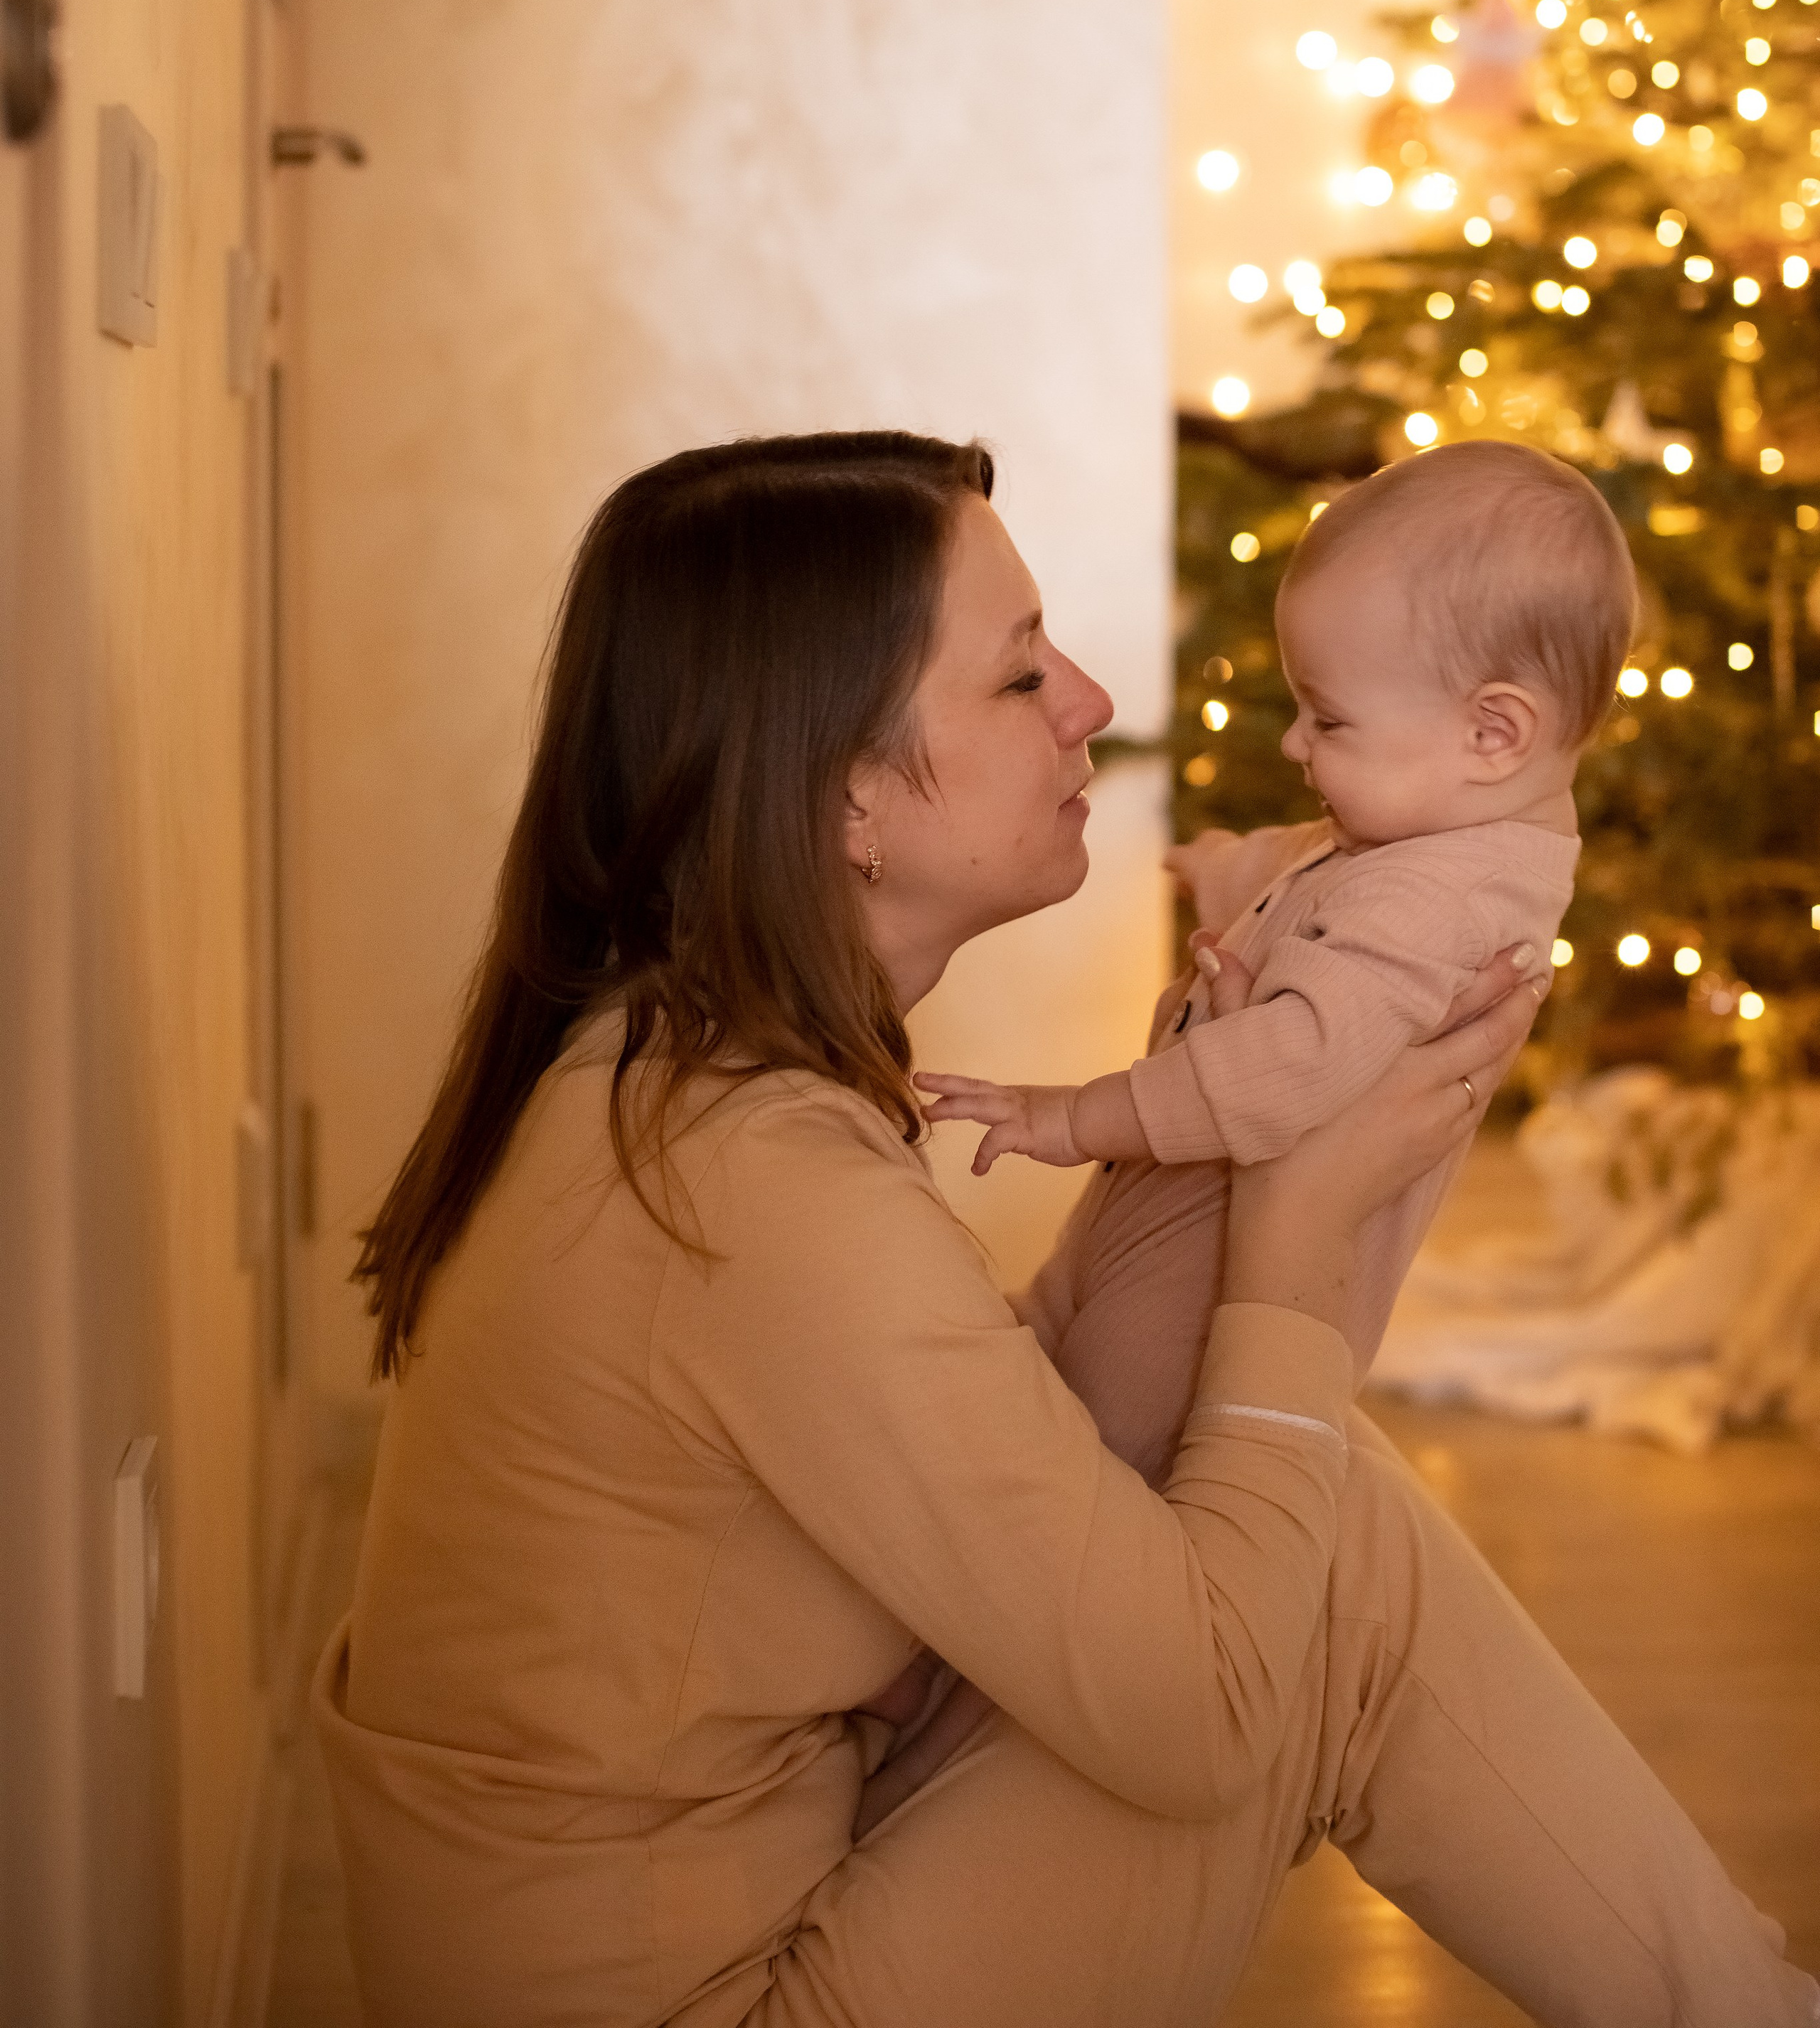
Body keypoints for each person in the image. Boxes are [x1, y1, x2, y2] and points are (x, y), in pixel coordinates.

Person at [314, 431, 1816, 2028]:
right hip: (704, 2002)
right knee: (1313, 1581)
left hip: (726, 1901)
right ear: (847, 795)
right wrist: (1294, 1227)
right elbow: (1202, 1716)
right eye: (1021, 676)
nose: (1093, 700)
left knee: (1300, 1528)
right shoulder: (753, 1188)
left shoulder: (684, 1079)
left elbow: (987, 1465)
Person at [915, 442, 1632, 1373]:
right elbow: (1308, 876)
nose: (1296, 743)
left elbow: (1283, 1065)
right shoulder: (1421, 841)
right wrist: (1217, 867)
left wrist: (1074, 1118)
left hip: (1197, 1327)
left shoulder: (1443, 909)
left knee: (1088, 1470)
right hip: (1143, 1244)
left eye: (1327, 720)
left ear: (1493, 734)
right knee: (1020, 1384)